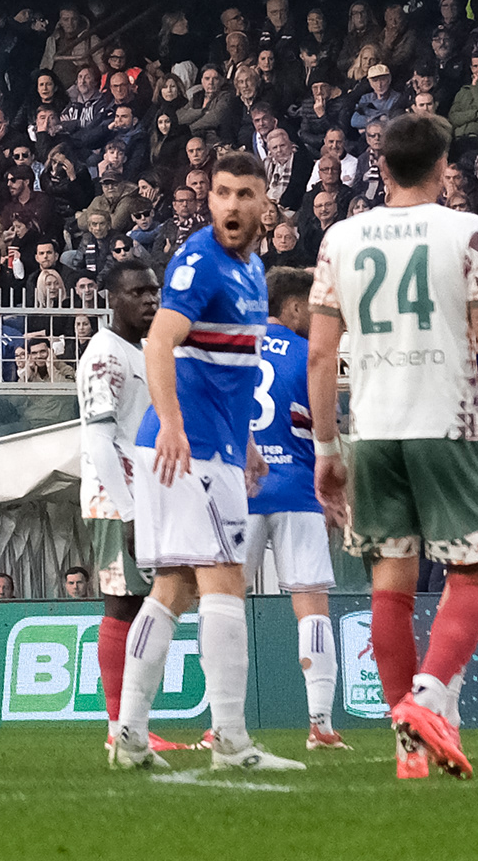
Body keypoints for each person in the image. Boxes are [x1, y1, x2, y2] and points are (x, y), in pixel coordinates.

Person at [310, 111, 478, 782]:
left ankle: (409, 753)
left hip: (373, 430)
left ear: (381, 167)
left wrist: (327, 447)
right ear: (443, 169)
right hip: (446, 422)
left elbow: (320, 353)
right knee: (477, 570)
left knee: (391, 583)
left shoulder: (341, 237)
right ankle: (426, 702)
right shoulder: (465, 230)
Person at [118, 156, 299, 774]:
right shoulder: (201, 260)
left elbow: (231, 369)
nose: (231, 204)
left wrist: (244, 440)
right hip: (188, 445)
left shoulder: (251, 270)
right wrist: (173, 423)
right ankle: (230, 739)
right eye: (222, 192)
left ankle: (129, 734)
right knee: (224, 579)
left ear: (264, 205)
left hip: (207, 443)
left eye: (244, 194)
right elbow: (158, 342)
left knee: (173, 587)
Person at [246, 263, 347, 751]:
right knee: (311, 606)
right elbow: (326, 428)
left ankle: (221, 723)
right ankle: (320, 725)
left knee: (222, 604)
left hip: (240, 489)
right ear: (292, 307)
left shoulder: (234, 348)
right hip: (299, 490)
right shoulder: (310, 354)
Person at [77, 261, 167, 748]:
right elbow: (98, 439)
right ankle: (120, 729)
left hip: (143, 494)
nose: (150, 299)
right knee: (123, 604)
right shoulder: (105, 355)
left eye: (154, 290)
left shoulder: (142, 350)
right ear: (112, 299)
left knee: (148, 604)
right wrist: (128, 509)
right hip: (117, 499)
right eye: (138, 292)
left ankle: (134, 725)